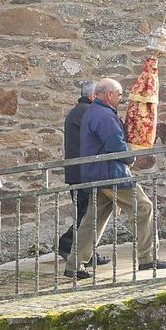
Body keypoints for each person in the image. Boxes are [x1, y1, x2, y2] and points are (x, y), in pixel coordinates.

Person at [64, 79, 166, 279]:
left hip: (97, 173)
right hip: (111, 173)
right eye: (119, 94)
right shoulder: (104, 115)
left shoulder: (93, 112)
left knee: (93, 219)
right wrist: (130, 158)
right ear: (108, 94)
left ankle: (74, 264)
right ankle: (147, 257)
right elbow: (116, 144)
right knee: (144, 207)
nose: (121, 98)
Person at [57, 81, 110, 267]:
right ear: (94, 96)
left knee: (87, 214)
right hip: (83, 173)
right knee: (88, 215)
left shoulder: (79, 111)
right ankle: (69, 244)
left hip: (78, 173)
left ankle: (78, 249)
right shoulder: (87, 111)